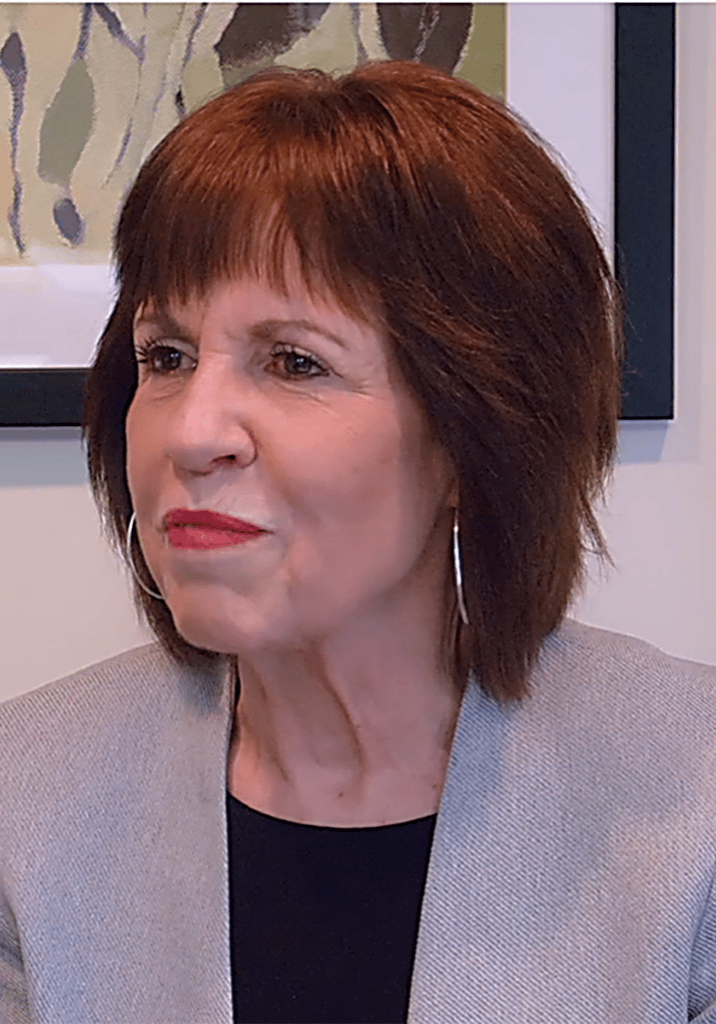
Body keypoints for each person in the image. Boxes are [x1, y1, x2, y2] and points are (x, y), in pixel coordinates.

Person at [1, 59, 715, 1024]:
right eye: (165, 356)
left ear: (476, 437)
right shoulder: (25, 800)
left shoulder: (691, 802)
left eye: (295, 362)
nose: (189, 430)